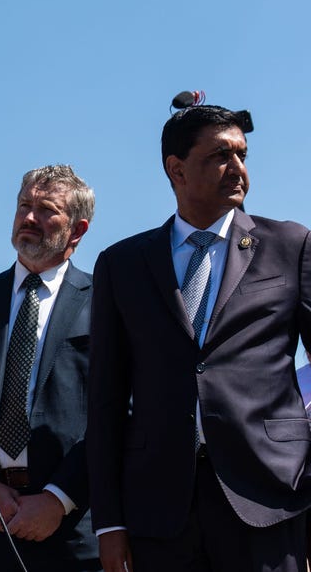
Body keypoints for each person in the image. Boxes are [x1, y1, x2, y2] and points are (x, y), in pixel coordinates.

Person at [88, 100, 311, 571]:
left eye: (242, 155)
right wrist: (108, 523)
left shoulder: (291, 245)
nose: (237, 168)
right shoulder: (122, 264)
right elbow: (105, 400)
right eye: (219, 156)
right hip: (158, 512)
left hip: (271, 500)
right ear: (177, 169)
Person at [0, 165, 98, 571]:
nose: (29, 218)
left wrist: (58, 498)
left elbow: (122, 411)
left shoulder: (106, 303)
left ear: (78, 230)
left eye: (46, 209)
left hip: (71, 530)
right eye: (23, 205)